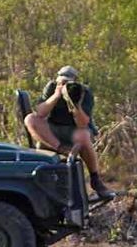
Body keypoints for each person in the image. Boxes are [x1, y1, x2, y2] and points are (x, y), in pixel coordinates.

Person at [24, 65, 114, 199]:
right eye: (62, 82)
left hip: (74, 131)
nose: (64, 85)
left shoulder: (83, 92)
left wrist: (74, 103)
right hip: (54, 130)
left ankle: (95, 179)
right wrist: (56, 95)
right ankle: (61, 148)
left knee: (83, 135)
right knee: (30, 119)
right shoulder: (51, 87)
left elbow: (83, 123)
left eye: (67, 83)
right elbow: (41, 113)